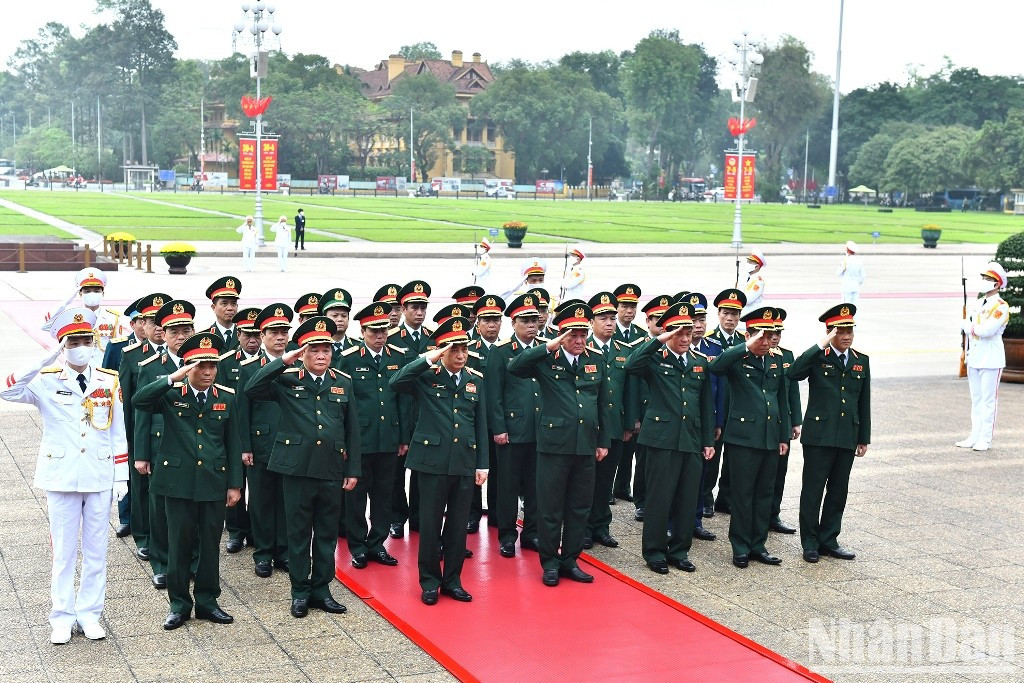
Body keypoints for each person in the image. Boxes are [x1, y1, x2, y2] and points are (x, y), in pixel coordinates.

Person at [1, 308, 128, 645]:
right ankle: (61, 616)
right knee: (64, 552)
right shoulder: (45, 379)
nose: (81, 346)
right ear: (61, 345)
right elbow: (7, 390)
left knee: (96, 550)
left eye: (87, 339)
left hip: (99, 474)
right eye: (73, 341)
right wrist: (45, 360)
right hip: (61, 475)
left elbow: (118, 431)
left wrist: (121, 476)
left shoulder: (108, 379)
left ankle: (89, 614)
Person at [246, 316, 361, 618]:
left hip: (331, 469)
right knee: (298, 535)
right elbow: (252, 388)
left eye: (326, 350)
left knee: (326, 535)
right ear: (303, 353)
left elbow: (352, 430)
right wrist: (284, 360)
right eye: (314, 350)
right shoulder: (287, 379)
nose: (322, 355)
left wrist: (353, 470)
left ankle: (321, 589)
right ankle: (299, 591)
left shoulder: (342, 383)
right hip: (296, 470)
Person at [133, 332, 242, 630]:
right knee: (178, 545)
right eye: (200, 367)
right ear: (186, 367)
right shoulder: (171, 394)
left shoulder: (227, 398)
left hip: (212, 481)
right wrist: (172, 378)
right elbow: (138, 400)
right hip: (177, 482)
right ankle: (179, 604)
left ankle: (208, 601)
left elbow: (233, 444)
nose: (208, 372)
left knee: (209, 545)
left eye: (212, 366)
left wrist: (235, 484)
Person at [508, 304, 613, 587]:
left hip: (586, 446)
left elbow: (603, 403)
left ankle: (570, 560)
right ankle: (550, 563)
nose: (579, 340)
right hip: (554, 446)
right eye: (572, 335)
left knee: (579, 507)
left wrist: (603, 441)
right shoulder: (546, 358)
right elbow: (514, 367)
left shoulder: (597, 359)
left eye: (582, 334)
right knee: (551, 508)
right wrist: (547, 346)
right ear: (560, 334)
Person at [390, 317, 488, 605]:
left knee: (458, 527)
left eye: (464, 350)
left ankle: (453, 580)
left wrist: (482, 464)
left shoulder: (474, 380)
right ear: (441, 351)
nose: (460, 356)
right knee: (430, 526)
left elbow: (480, 424)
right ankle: (430, 581)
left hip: (463, 462)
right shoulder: (426, 376)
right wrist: (427, 357)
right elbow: (396, 382)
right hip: (431, 463)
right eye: (453, 350)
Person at [625, 302, 714, 574]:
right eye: (679, 334)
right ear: (668, 334)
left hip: (690, 439)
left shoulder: (700, 362)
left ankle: (679, 550)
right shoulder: (655, 358)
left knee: (687, 500)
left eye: (689, 333)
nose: (686, 339)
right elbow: (631, 364)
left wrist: (708, 440)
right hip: (661, 439)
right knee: (659, 499)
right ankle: (654, 552)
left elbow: (705, 404)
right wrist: (658, 339)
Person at [787, 304, 870, 563]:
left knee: (838, 490)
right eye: (841, 331)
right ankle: (810, 542)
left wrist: (863, 437)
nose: (846, 336)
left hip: (847, 435)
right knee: (813, 490)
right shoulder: (818, 356)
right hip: (819, 436)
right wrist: (819, 345)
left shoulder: (860, 361)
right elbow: (794, 372)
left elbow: (863, 401)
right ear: (830, 331)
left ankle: (829, 539)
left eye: (850, 330)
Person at [709, 306, 790, 569]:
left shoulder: (776, 359)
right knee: (742, 495)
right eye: (762, 337)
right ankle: (740, 547)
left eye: (771, 336)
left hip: (769, 437)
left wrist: (783, 435)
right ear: (750, 335)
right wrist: (745, 346)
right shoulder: (738, 359)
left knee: (764, 493)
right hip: (743, 438)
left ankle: (758, 545)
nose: (767, 342)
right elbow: (717, 367)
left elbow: (782, 399)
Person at [340, 301, 410, 569]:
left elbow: (403, 400)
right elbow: (344, 403)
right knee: (356, 496)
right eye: (374, 331)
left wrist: (403, 437)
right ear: (363, 330)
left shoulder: (397, 357)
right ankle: (357, 546)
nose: (380, 336)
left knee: (384, 494)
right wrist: (346, 441)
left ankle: (377, 543)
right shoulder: (349, 358)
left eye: (383, 331)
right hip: (361, 439)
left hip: (389, 438)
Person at [135, 300, 199, 590]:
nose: (181, 336)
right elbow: (141, 411)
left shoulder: (207, 362)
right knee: (160, 510)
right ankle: (161, 564)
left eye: (186, 330)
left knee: (195, 507)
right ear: (164, 333)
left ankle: (195, 562)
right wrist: (141, 454)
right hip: (160, 447)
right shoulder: (151, 366)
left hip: (196, 448)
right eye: (174, 331)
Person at [237, 304, 294, 578]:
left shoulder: (297, 363)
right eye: (274, 332)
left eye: (284, 331)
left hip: (291, 444)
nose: (280, 337)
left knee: (286, 500)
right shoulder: (249, 367)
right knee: (260, 501)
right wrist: (245, 446)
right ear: (263, 334)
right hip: (261, 444)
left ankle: (283, 551)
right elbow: (242, 409)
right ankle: (262, 553)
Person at [486, 294, 542, 557]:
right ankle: (507, 536)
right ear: (514, 323)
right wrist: (498, 427)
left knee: (535, 486)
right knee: (507, 487)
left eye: (535, 320)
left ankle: (531, 533)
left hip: (540, 430)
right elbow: (494, 394)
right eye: (526, 321)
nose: (532, 325)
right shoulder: (501, 352)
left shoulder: (544, 348)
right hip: (512, 430)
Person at [584, 291, 638, 549]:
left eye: (611, 318)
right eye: (603, 318)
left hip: (615, 426)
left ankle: (601, 526)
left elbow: (630, 390)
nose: (609, 323)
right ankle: (583, 527)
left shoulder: (623, 350)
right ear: (591, 321)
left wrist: (630, 423)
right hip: (588, 427)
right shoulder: (582, 348)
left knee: (606, 480)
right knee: (586, 480)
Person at [119, 293, 169, 560]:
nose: (158, 327)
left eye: (162, 321)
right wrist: (128, 440)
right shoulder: (132, 356)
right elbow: (128, 402)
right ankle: (144, 536)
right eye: (152, 321)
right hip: (142, 433)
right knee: (141, 488)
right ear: (143, 325)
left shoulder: (183, 354)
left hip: (172, 435)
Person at [957, 263, 1010, 452]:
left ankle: (985, 439)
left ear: (997, 284)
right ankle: (974, 435)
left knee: (989, 401)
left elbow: (987, 330)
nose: (984, 282)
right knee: (976, 399)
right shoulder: (978, 303)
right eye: (983, 278)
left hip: (991, 358)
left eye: (988, 279)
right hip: (975, 357)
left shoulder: (1001, 307)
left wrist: (969, 328)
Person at [704, 288, 747, 517]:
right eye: (726, 313)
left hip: (739, 408)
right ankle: (706, 497)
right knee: (713, 455)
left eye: (735, 314)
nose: (730, 318)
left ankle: (726, 497)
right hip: (718, 408)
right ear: (718, 314)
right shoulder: (709, 341)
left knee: (734, 457)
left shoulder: (744, 341)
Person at [43, 268, 128, 364]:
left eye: (96, 291)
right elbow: (46, 326)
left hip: (104, 369)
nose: (92, 294)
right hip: (78, 368)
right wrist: (68, 300)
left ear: (102, 293)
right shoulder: (71, 316)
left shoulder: (113, 317)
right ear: (80, 293)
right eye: (87, 291)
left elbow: (118, 348)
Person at [766, 309, 802, 535]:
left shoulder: (786, 356)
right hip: (761, 423)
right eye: (772, 332)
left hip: (782, 422)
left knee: (780, 472)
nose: (776, 337)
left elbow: (793, 392)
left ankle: (774, 514)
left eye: (779, 332)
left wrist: (795, 420)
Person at [611, 283, 645, 503]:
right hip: (614, 398)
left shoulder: (640, 336)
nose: (629, 311)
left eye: (633, 306)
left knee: (629, 447)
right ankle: (607, 488)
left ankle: (622, 486)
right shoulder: (607, 333)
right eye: (624, 305)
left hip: (632, 398)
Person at [204, 276, 242, 349]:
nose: (230, 308)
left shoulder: (245, 334)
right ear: (213, 307)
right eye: (224, 303)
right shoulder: (205, 337)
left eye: (233, 304)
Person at [742, 249, 766, 314]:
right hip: (745, 312)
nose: (747, 264)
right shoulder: (747, 278)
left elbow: (748, 300)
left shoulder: (758, 282)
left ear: (757, 266)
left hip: (752, 313)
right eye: (747, 261)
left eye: (750, 262)